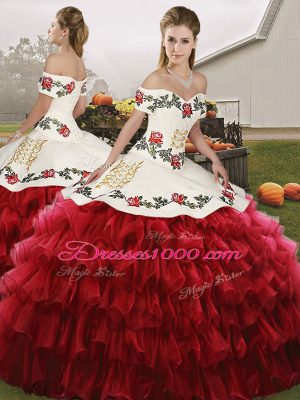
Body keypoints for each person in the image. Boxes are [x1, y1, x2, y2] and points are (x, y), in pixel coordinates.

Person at [0, 6, 300, 400]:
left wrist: (211, 158)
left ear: (195, 42)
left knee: (222, 231)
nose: (176, 47)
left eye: (184, 41)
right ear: (163, 41)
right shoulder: (154, 78)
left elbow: (193, 129)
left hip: (181, 167)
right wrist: (109, 163)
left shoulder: (201, 80)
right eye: (171, 39)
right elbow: (131, 125)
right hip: (144, 163)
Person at [0, 6, 113, 276]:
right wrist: (65, 120)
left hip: (49, 132)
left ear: (64, 31)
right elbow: (80, 109)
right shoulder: (80, 63)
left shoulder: (54, 59)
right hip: (71, 134)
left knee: (20, 189)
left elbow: (41, 107)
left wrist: (17, 135)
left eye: (52, 26)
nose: (48, 30)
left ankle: (24, 265)